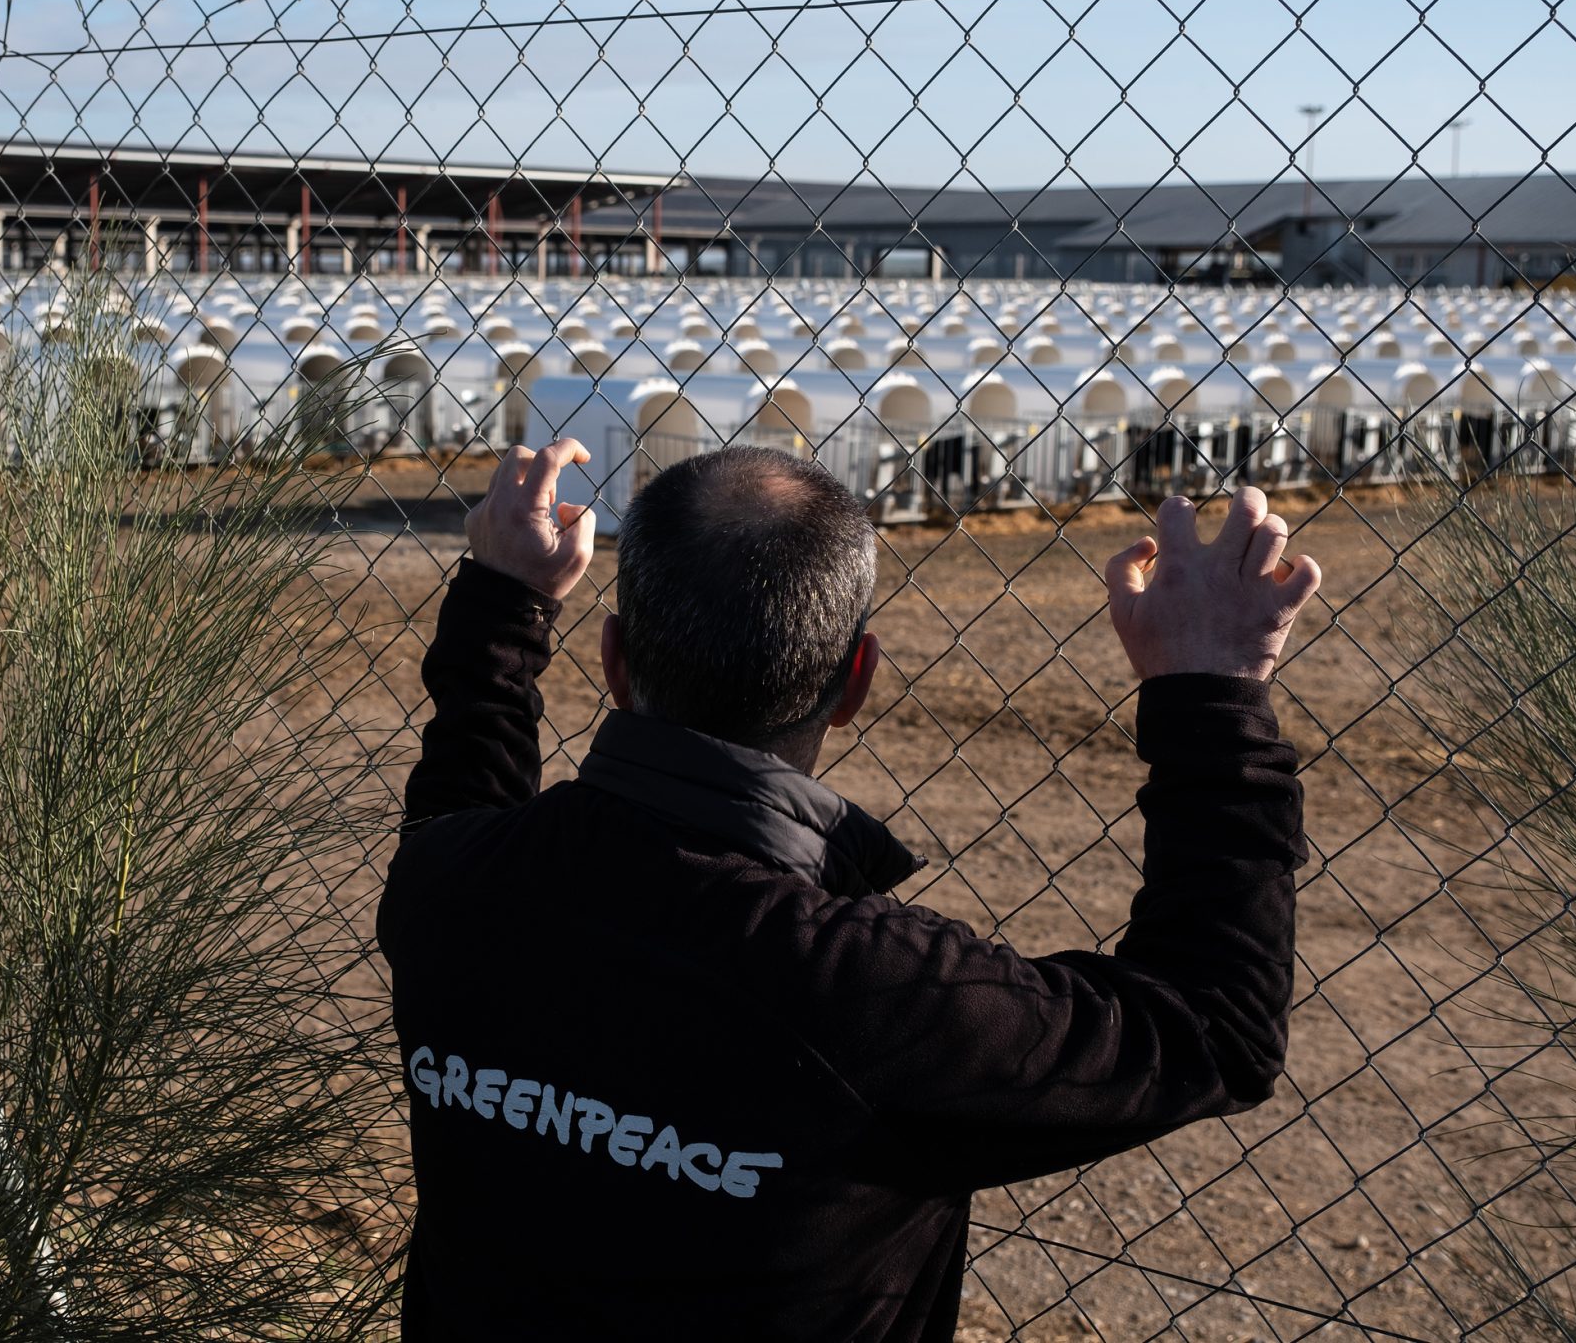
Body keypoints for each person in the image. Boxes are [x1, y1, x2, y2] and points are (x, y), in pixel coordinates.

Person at [378, 439, 1320, 1342]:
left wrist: (503, 605)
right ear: (855, 681)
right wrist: (1208, 692)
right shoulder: (877, 995)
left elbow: (464, 800)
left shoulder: (450, 885)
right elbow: (1211, 1028)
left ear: (615, 661)